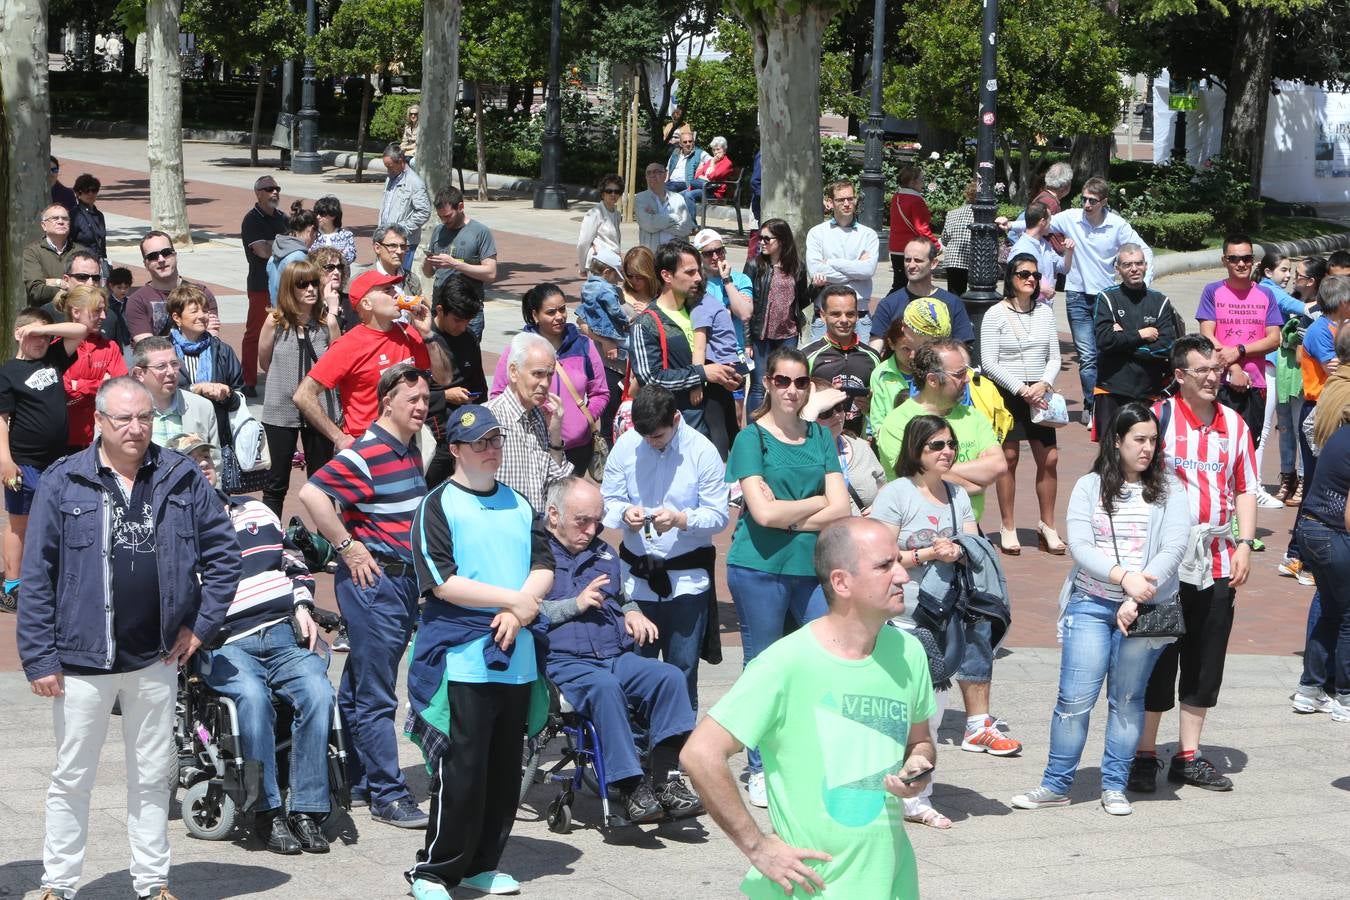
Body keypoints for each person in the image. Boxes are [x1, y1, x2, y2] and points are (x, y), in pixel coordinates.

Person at [17, 376, 239, 900]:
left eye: (143, 418)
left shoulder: (181, 475)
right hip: (79, 660)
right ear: (99, 421)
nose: (136, 429)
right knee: (73, 777)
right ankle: (59, 884)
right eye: (123, 419)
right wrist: (38, 657)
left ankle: (152, 882)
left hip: (155, 658)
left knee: (152, 776)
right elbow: (38, 572)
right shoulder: (64, 480)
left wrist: (201, 627)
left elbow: (224, 557)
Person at [681, 517, 937, 899]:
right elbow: (700, 754)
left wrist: (919, 764)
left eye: (898, 560)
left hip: (892, 880)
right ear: (841, 582)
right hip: (811, 888)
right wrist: (757, 847)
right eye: (885, 565)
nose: (902, 575)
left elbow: (920, 741)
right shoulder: (786, 663)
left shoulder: (909, 651)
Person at [403, 403, 553, 900]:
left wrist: (519, 612)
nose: (491, 451)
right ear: (456, 450)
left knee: (503, 771)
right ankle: (433, 871)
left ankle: (481, 864)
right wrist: (515, 601)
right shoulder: (438, 504)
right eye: (480, 443)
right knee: (461, 773)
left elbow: (543, 564)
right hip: (461, 658)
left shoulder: (521, 502)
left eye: (496, 441)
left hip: (516, 656)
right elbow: (442, 582)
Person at [1011, 402, 1190, 816]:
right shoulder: (1090, 486)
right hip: (1091, 603)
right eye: (1138, 440)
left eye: (1152, 440)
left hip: (1144, 608)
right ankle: (1056, 784)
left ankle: (1114, 785)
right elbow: (1080, 545)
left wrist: (1135, 594)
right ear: (1116, 441)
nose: (1147, 448)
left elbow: (1174, 548)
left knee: (1128, 699)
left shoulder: (1171, 487)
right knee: (1074, 699)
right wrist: (1121, 578)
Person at [175, 433, 335, 855]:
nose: (203, 466)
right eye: (190, 461)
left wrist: (302, 602)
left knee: (319, 693)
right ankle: (268, 810)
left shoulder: (256, 510)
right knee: (253, 698)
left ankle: (306, 809)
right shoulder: (177, 530)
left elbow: (291, 558)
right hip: (229, 643)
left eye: (206, 458)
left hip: (283, 630)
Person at [298, 363, 433, 828]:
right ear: (387, 400)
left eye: (425, 399)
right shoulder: (369, 450)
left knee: (358, 686)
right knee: (377, 694)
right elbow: (313, 494)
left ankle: (356, 776)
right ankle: (388, 795)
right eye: (412, 399)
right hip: (375, 585)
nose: (421, 407)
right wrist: (348, 546)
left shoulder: (407, 449)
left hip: (398, 583)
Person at [1129, 335, 1258, 794]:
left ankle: (1188, 754)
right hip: (1164, 562)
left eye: (1216, 369)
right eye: (1202, 370)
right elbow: (1129, 478)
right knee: (1158, 653)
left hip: (1218, 558)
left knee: (1205, 658)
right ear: (1179, 375)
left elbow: (1243, 487)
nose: (1212, 377)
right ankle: (1143, 753)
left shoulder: (1235, 425)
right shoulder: (1158, 419)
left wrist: (1244, 543)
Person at [724, 347, 851, 807]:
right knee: (764, 666)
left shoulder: (820, 437)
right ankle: (759, 765)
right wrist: (813, 504)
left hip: (811, 568)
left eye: (800, 383)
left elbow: (841, 508)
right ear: (768, 384)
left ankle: (804, 757)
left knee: (821, 661)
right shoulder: (751, 439)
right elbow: (759, 513)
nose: (792, 391)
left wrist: (789, 515)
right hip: (759, 568)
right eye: (783, 381)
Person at [541, 476, 701, 823]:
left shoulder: (602, 552)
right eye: (581, 520)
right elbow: (525, 609)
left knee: (669, 677)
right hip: (564, 662)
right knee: (605, 688)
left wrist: (633, 613)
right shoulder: (533, 554)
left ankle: (666, 780)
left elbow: (621, 595)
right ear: (553, 515)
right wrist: (576, 605)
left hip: (612, 655)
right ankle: (630, 787)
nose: (591, 528)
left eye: (597, 520)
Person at [870, 413, 980, 829]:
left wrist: (960, 551)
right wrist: (926, 555)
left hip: (943, 616)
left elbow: (974, 546)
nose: (947, 452)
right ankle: (880, 788)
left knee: (932, 710)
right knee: (893, 709)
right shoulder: (896, 494)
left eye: (950, 444)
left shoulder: (958, 496)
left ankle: (918, 796)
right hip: (899, 618)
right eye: (937, 445)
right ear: (916, 449)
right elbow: (879, 555)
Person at [600, 385, 729, 708]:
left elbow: (718, 516)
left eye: (657, 436)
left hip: (686, 582)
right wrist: (622, 513)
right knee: (632, 668)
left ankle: (678, 746)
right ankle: (637, 745)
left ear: (676, 418)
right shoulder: (628, 445)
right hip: (637, 579)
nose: (650, 442)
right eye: (645, 436)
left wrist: (682, 519)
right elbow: (607, 502)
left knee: (682, 670)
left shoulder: (702, 451)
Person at [1016, 176, 1153, 425]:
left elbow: (1145, 250)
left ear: (1104, 202)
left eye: (1092, 200)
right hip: (1077, 296)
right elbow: (1038, 223)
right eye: (1084, 199)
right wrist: (1011, 226)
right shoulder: (1071, 217)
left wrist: (1146, 282)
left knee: (1106, 353)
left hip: (1107, 298)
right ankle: (1092, 406)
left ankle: (1110, 402)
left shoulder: (1117, 225)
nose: (1087, 204)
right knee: (1087, 356)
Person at [294, 270, 450, 449]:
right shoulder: (349, 345)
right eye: (387, 290)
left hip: (407, 442)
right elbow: (303, 395)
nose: (396, 295)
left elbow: (444, 378)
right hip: (368, 445)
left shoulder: (407, 332)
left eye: (395, 289)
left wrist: (428, 334)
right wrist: (339, 438)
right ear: (367, 304)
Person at [0, 309, 86, 611]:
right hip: (25, 461)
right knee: (18, 523)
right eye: (33, 336)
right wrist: (5, 461)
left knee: (56, 519)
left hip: (58, 461)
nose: (40, 341)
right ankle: (12, 584)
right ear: (17, 334)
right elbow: (1, 419)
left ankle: (49, 576)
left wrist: (45, 330)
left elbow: (80, 330)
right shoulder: (8, 371)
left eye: (46, 337)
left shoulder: (54, 358)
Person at [980, 253, 1064, 556]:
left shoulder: (1044, 312)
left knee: (1050, 458)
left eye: (1036, 275)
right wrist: (1020, 389)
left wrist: (1045, 384)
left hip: (1040, 393)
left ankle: (1048, 525)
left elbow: (1055, 356)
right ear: (1011, 279)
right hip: (1008, 393)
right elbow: (988, 362)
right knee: (1009, 458)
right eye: (1024, 274)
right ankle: (1008, 525)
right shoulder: (995, 314)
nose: (1031, 279)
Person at [877, 339, 1007, 523]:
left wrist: (937, 471)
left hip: (968, 535)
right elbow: (918, 481)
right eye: (959, 374)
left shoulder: (973, 416)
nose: (967, 379)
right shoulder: (898, 422)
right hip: (916, 539)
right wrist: (975, 483)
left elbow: (998, 465)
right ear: (932, 380)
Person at [1292, 328, 1350, 719]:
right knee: (1347, 616)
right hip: (1333, 529)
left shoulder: (1334, 394)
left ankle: (1310, 689)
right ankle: (1345, 695)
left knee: (1330, 608)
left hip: (1310, 525)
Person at [490, 284, 609, 475]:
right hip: (532, 447)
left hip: (577, 449)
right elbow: (497, 394)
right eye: (551, 312)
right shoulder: (517, 349)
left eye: (562, 309)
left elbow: (600, 392)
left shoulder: (584, 345)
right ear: (535, 315)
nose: (560, 316)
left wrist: (584, 420)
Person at [630, 241, 742, 437]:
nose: (698, 278)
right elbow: (650, 378)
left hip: (715, 420)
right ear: (666, 276)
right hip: (677, 429)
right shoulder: (646, 324)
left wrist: (726, 377)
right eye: (690, 273)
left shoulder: (699, 310)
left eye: (698, 271)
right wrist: (702, 373)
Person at [258, 259, 341, 517]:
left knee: (322, 481)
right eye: (302, 284)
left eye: (315, 283)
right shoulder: (275, 322)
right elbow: (264, 361)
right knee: (276, 481)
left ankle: (328, 543)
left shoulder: (328, 323)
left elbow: (339, 364)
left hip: (320, 409)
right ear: (289, 289)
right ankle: (270, 538)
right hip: (280, 410)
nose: (310, 289)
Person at [1196, 234, 1282, 443]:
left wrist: (1240, 350)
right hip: (1218, 383)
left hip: (1256, 384)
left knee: (1248, 449)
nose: (1241, 263)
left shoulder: (1266, 295)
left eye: (1246, 258)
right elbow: (1207, 335)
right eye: (1234, 258)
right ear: (1224, 261)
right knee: (1217, 448)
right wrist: (1234, 368)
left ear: (1254, 261)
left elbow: (1274, 339)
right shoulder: (1212, 291)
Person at [1091, 243, 1181, 441]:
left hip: (1148, 391)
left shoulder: (1160, 302)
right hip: (1111, 388)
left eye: (1138, 263)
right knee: (1110, 453)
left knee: (1145, 452)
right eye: (1127, 264)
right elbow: (1104, 341)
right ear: (1118, 269)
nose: (1134, 269)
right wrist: (1141, 334)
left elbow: (1166, 347)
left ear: (1146, 265)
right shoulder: (1107, 298)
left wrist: (1123, 342)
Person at [485, 332, 575, 511]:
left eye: (550, 375)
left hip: (538, 531)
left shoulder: (541, 418)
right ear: (513, 372)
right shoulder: (489, 418)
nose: (545, 383)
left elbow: (557, 485)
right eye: (537, 374)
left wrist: (555, 435)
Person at [424, 276, 488, 488]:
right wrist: (444, 395)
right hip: (431, 439)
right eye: (458, 321)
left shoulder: (469, 338)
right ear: (440, 311)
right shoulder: (420, 339)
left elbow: (480, 386)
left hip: (464, 436)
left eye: (468, 322)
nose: (463, 327)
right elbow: (405, 396)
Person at [742, 218, 811, 412]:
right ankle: (753, 430)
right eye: (760, 238)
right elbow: (745, 305)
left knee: (784, 382)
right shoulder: (754, 266)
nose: (761, 242)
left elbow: (801, 301)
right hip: (760, 337)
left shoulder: (797, 267)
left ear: (781, 240)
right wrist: (747, 341)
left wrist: (816, 289)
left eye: (766, 238)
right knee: (758, 386)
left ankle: (780, 424)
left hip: (787, 335)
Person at [690, 229, 749, 453]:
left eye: (719, 251)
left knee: (731, 417)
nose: (715, 257)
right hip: (715, 363)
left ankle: (726, 469)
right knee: (725, 419)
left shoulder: (736, 281)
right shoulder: (701, 293)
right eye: (708, 253)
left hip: (730, 361)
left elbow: (744, 313)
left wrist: (727, 281)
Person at [1258, 252, 1307, 504]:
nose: (1289, 277)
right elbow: (1295, 307)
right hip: (1277, 368)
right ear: (1268, 272)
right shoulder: (1269, 290)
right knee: (1283, 426)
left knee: (1296, 426)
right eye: (1285, 271)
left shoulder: (1284, 294)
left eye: (1294, 273)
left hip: (1293, 371)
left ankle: (1300, 476)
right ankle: (1288, 476)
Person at [868, 236, 976, 352]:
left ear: (933, 263)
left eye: (918, 260)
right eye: (907, 260)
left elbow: (961, 350)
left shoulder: (952, 303)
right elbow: (875, 346)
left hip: (939, 368)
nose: (911, 265)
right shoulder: (888, 303)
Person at [801, 285, 882, 437]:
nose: (844, 320)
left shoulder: (872, 357)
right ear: (823, 316)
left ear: (857, 315)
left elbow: (881, 406)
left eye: (850, 314)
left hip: (858, 443)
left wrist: (870, 408)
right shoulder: (807, 356)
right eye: (836, 314)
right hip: (817, 441)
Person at [421, 186, 499, 341]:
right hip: (441, 311)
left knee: (467, 359)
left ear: (461, 207)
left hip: (467, 311)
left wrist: (455, 264)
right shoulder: (438, 231)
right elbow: (428, 273)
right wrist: (428, 261)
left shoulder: (480, 232)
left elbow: (491, 273)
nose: (444, 221)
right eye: (441, 217)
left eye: (448, 216)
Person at [805, 180, 879, 342]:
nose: (847, 203)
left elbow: (868, 270)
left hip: (860, 315)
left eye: (850, 199)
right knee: (819, 366)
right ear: (830, 202)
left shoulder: (868, 235)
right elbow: (816, 271)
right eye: (841, 200)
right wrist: (856, 271)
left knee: (863, 366)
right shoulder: (817, 233)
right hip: (825, 316)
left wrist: (831, 263)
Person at [868, 297, 952, 436]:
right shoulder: (882, 373)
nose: (903, 328)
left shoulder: (939, 370)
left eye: (907, 325)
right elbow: (878, 423)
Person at [130, 337, 220, 467]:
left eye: (174, 364)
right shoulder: (121, 411)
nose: (171, 372)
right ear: (139, 374)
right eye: (161, 366)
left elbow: (215, 464)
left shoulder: (202, 407)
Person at [60, 284, 128, 453]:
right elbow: (64, 393)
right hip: (64, 440)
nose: (104, 316)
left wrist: (79, 385)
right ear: (76, 313)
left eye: (104, 310)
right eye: (97, 311)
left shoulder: (110, 347)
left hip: (103, 440)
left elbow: (120, 389)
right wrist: (101, 384)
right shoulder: (58, 348)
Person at [806, 380, 886, 514]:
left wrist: (881, 507)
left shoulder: (860, 446)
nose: (836, 415)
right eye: (825, 412)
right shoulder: (799, 457)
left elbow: (883, 487)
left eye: (839, 407)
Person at [127, 231, 221, 344]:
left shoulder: (201, 293)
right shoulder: (137, 301)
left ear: (175, 255)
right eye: (152, 256)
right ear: (145, 264)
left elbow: (211, 338)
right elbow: (147, 347)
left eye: (166, 252)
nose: (161, 259)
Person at [241, 175, 288, 397]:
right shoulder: (251, 220)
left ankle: (277, 378)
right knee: (255, 332)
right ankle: (248, 380)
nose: (274, 192)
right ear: (258, 193)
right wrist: (280, 245)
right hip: (260, 285)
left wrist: (273, 244)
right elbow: (261, 251)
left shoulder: (283, 218)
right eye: (269, 189)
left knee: (282, 332)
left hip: (284, 284)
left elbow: (293, 245)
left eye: (276, 188)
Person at [166, 284, 244, 404]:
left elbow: (239, 392)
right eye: (194, 311)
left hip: (215, 420)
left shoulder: (222, 350)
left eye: (205, 310)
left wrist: (227, 393)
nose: (202, 316)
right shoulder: (163, 351)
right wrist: (195, 389)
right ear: (177, 318)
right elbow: (157, 392)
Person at [22, 203, 89, 308]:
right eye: (55, 218)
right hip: (44, 316)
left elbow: (89, 287)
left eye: (65, 219)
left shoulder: (81, 252)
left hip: (75, 313)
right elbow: (36, 291)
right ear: (44, 225)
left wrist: (49, 282)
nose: (61, 221)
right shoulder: (33, 251)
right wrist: (63, 284)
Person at [378, 144, 431, 275]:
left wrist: (402, 230)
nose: (387, 170)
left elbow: (424, 212)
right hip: (385, 239)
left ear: (401, 162)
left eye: (390, 166)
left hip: (403, 244)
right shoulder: (390, 178)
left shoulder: (415, 183)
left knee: (400, 279)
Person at [887, 165, 939, 295]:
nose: (923, 183)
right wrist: (936, 244)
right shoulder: (916, 200)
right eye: (921, 180)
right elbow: (921, 227)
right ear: (912, 182)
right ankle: (887, 309)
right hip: (911, 247)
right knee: (904, 285)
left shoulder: (896, 197)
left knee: (900, 282)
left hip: (895, 246)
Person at [1009, 202, 1075, 304]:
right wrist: (1041, 289)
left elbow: (1063, 268)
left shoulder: (1045, 245)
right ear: (1043, 222)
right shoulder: (1021, 249)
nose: (1051, 225)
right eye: (1050, 220)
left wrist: (1069, 251)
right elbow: (1014, 280)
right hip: (1027, 309)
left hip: (1045, 309)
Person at [266, 203, 318, 305]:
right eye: (317, 234)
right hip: (294, 315)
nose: (315, 239)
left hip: (277, 313)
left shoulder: (275, 255)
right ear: (311, 230)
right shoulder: (300, 257)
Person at [360, 224, 424, 301]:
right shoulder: (362, 279)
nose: (399, 251)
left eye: (403, 246)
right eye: (393, 246)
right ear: (377, 248)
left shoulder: (411, 279)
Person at [38, 250, 104, 323]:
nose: (91, 283)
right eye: (82, 277)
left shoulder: (108, 316)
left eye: (96, 278)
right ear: (66, 280)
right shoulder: (46, 314)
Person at [577, 174, 624, 274]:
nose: (613, 194)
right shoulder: (595, 213)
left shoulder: (616, 214)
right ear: (602, 194)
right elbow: (583, 242)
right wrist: (582, 267)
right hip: (598, 265)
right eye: (609, 191)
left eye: (617, 191)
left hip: (612, 265)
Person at [637, 162, 690, 250]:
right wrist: (675, 218)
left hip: (677, 253)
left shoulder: (678, 198)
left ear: (665, 175)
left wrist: (656, 220)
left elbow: (686, 228)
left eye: (656, 172)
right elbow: (647, 224)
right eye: (649, 173)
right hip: (653, 254)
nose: (652, 175)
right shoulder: (640, 198)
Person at [939, 181, 977, 297]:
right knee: (974, 295)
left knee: (954, 294)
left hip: (953, 259)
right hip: (973, 259)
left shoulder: (952, 213)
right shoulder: (982, 214)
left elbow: (945, 238)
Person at [665, 131, 710, 222]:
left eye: (690, 141)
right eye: (685, 142)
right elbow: (668, 169)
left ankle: (688, 224)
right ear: (680, 144)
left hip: (687, 183)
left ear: (693, 142)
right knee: (658, 189)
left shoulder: (700, 153)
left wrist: (703, 168)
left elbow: (714, 163)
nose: (688, 144)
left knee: (666, 191)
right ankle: (664, 220)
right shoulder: (675, 153)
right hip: (671, 182)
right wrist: (665, 180)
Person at [70, 174, 107, 271]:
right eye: (86, 191)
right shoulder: (74, 215)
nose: (91, 194)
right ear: (78, 193)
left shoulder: (99, 215)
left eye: (94, 190)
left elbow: (102, 244)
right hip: (81, 264)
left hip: (98, 264)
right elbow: (69, 242)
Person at [312, 195, 357, 264]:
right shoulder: (313, 234)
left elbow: (351, 257)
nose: (318, 217)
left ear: (333, 215)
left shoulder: (346, 235)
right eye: (316, 213)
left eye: (322, 214)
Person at [105, 267, 135, 350]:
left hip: (129, 343)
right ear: (111, 286)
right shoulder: (107, 304)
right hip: (114, 343)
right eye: (119, 287)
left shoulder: (130, 302)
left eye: (126, 287)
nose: (123, 291)